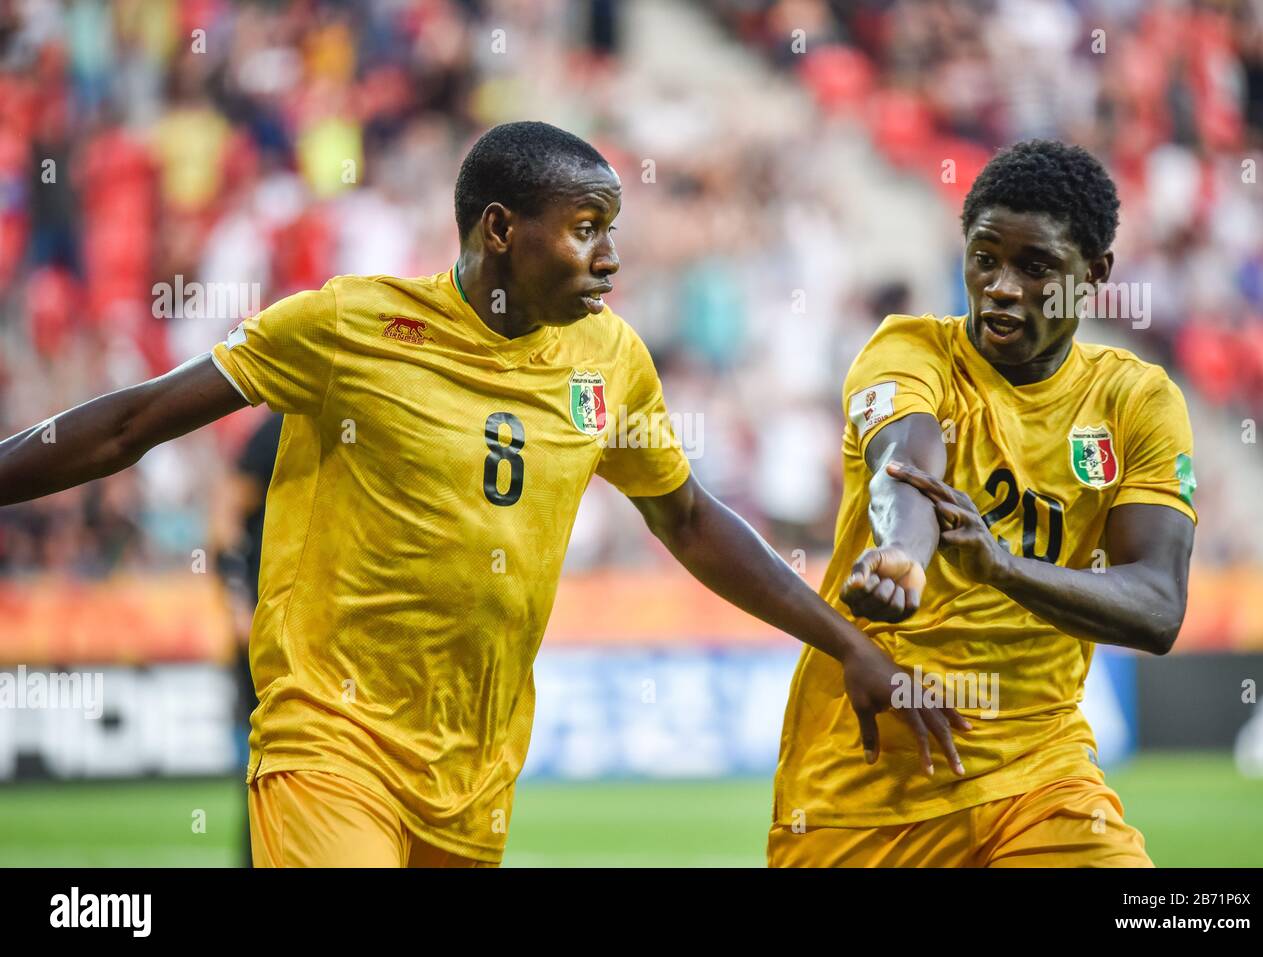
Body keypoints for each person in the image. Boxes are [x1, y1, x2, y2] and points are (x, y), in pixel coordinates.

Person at [0, 121, 964, 867]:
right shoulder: (350, 326)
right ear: (501, 229)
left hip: (476, 766)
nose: (611, 258)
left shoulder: (611, 360)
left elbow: (687, 515)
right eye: (587, 229)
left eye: (613, 232)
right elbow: (133, 422)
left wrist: (847, 642)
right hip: (329, 736)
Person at [769, 140, 1197, 868]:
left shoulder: (1137, 401)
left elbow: (1157, 606)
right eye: (984, 256)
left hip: (1043, 773)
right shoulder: (909, 351)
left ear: (1093, 276)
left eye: (1036, 268)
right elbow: (905, 464)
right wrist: (903, 552)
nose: (1001, 286)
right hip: (868, 782)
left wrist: (1002, 568)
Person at [208, 411, 283, 867]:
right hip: (265, 629)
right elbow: (223, 518)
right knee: (269, 758)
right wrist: (239, 603)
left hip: (324, 630)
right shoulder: (277, 430)